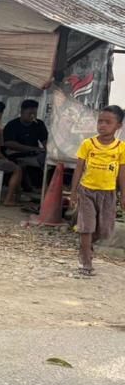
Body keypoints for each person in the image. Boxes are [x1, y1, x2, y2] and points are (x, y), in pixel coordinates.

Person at [68, 104, 125, 277]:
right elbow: (79, 168)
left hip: (108, 193)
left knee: (104, 230)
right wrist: (73, 192)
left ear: (118, 126)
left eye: (108, 122)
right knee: (87, 227)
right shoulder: (88, 144)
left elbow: (122, 173)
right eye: (100, 121)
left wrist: (123, 195)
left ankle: (85, 246)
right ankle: (86, 262)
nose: (102, 125)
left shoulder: (121, 147)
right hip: (87, 191)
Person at [2, 98, 49, 194]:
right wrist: (32, 148)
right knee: (25, 163)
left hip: (33, 154)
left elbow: (45, 141)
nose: (32, 116)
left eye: (34, 113)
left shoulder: (39, 124)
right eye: (30, 113)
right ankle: (27, 189)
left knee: (47, 161)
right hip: (15, 154)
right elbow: (8, 143)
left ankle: (43, 187)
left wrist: (49, 151)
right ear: (22, 112)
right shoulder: (12, 125)